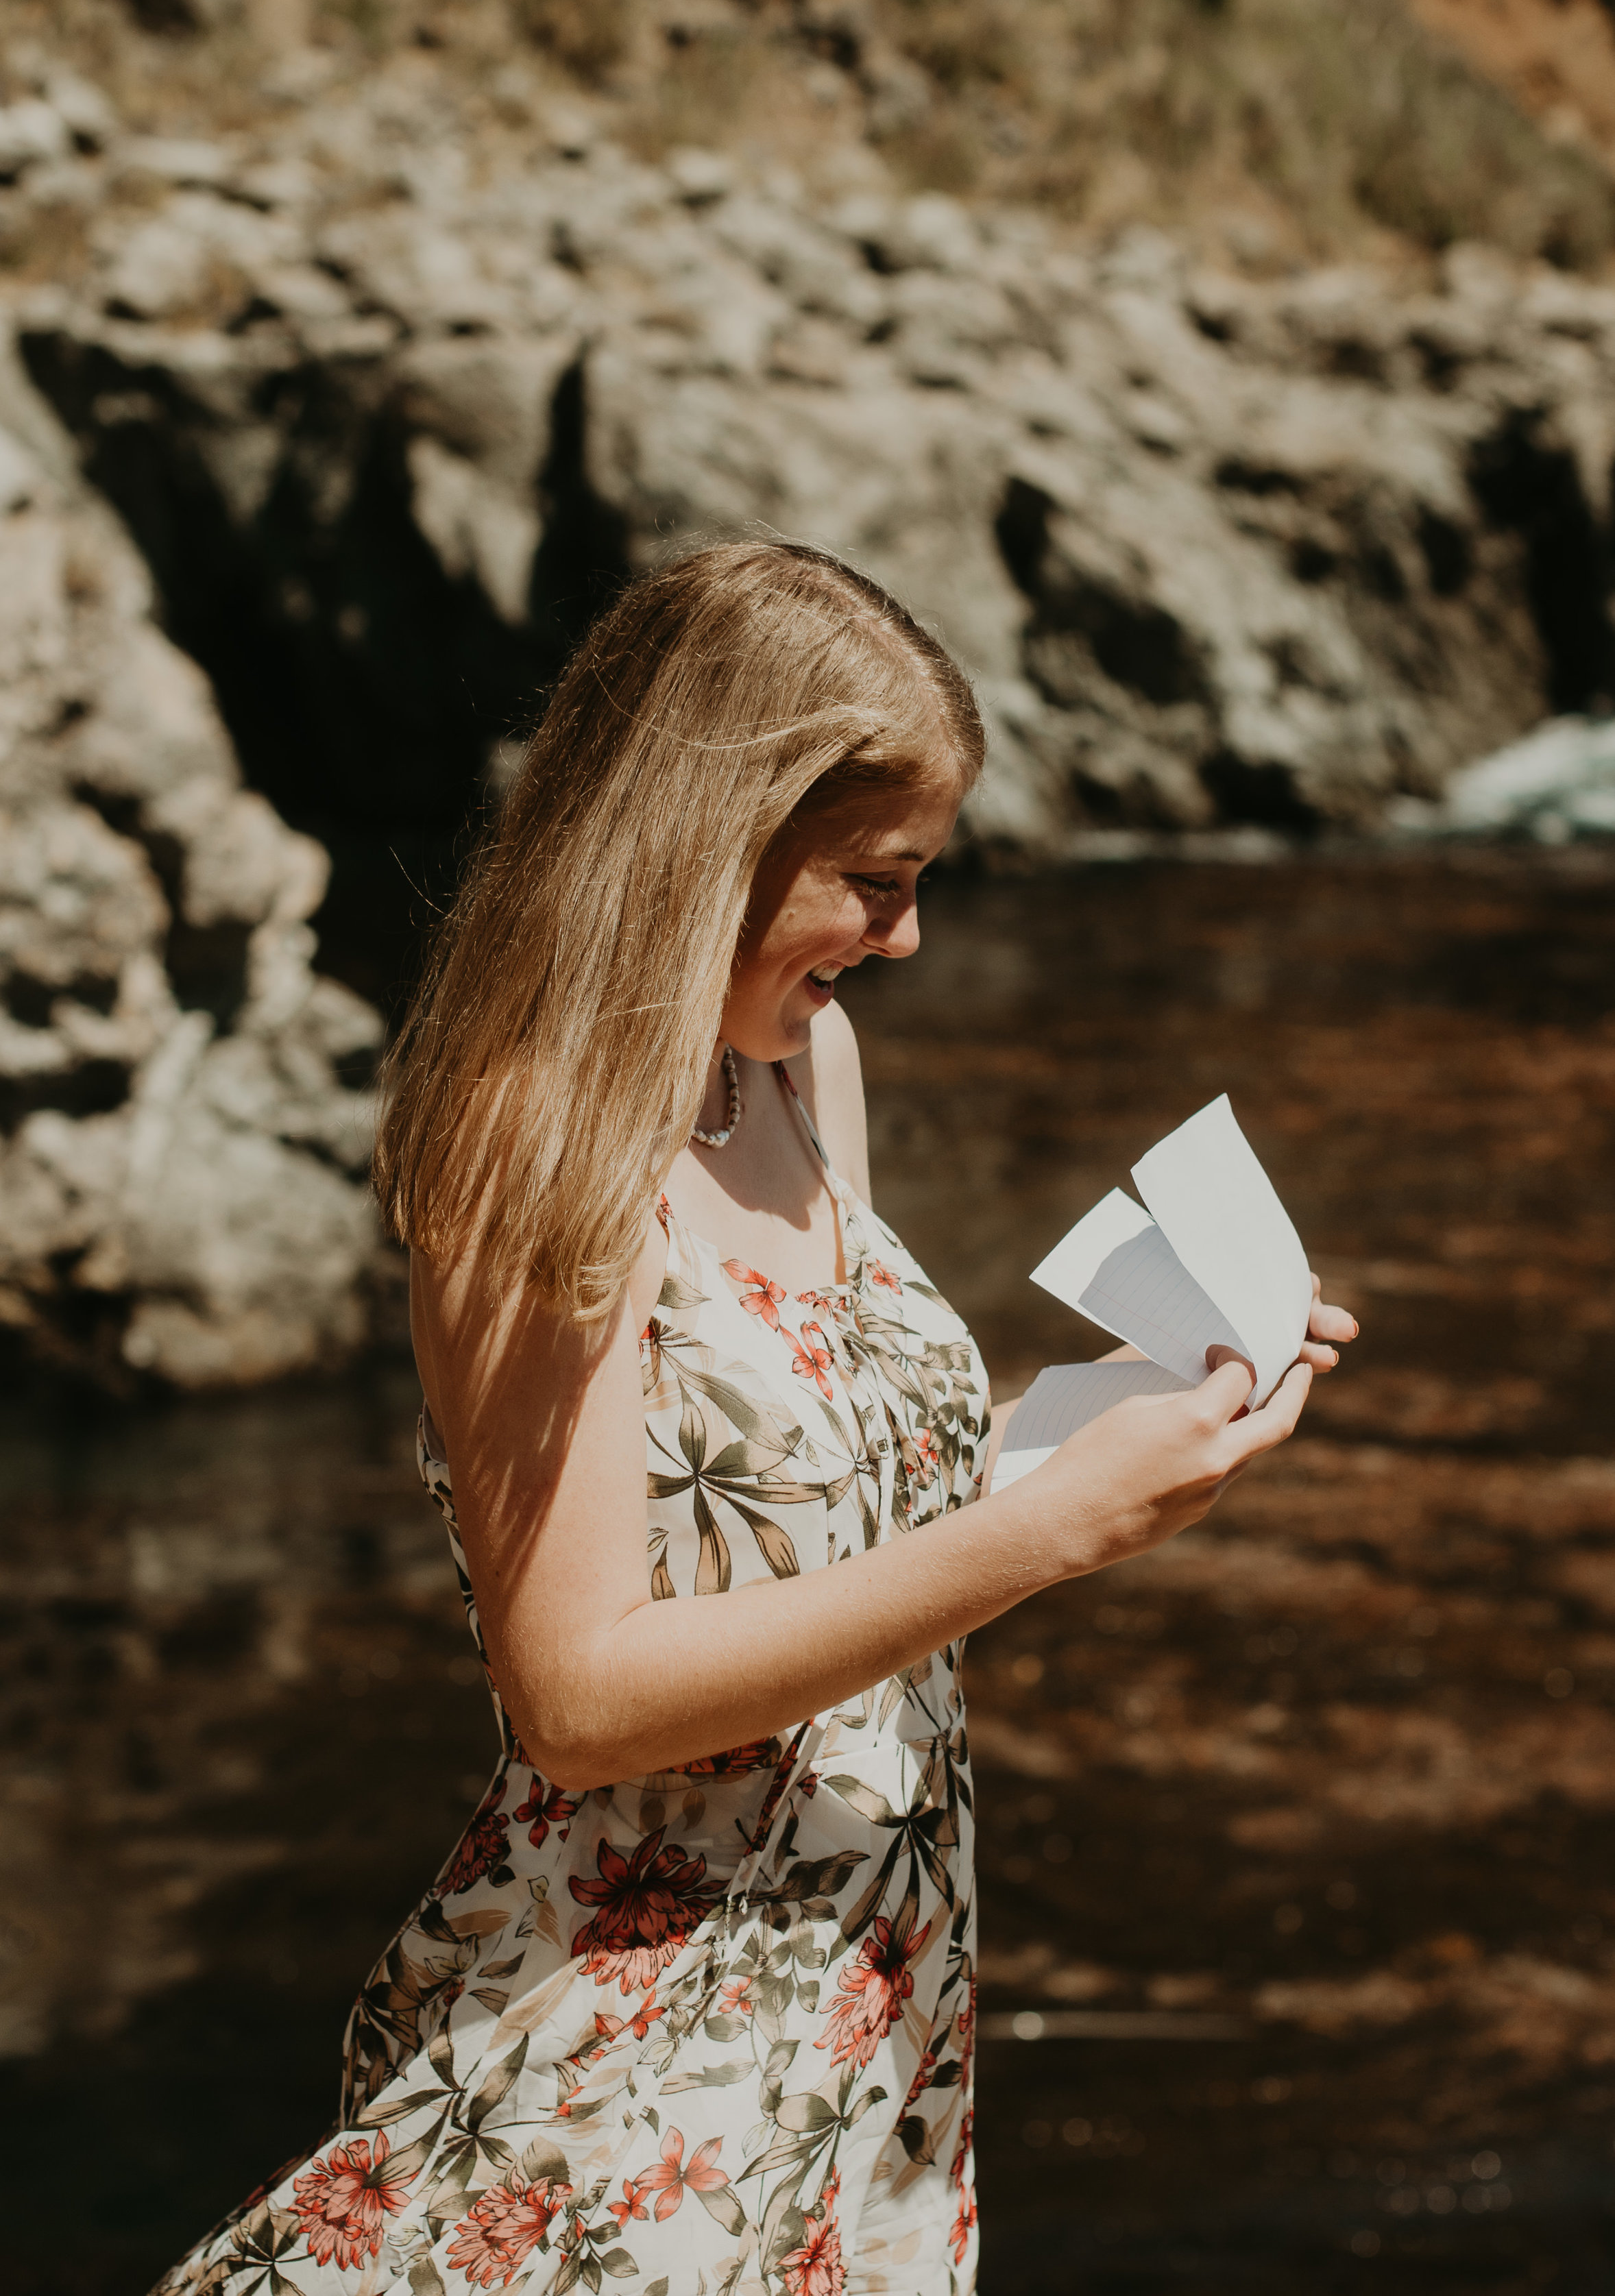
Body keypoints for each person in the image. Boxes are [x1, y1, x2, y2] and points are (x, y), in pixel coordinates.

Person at [156, 541, 1355, 2296]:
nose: (908, 932)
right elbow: (573, 1700)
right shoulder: (533, 1136)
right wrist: (1045, 1536)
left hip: (873, 2000)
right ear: (708, 842)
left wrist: (1129, 1420)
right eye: (874, 879)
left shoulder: (798, 1067)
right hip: (643, 2049)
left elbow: (846, 1499)